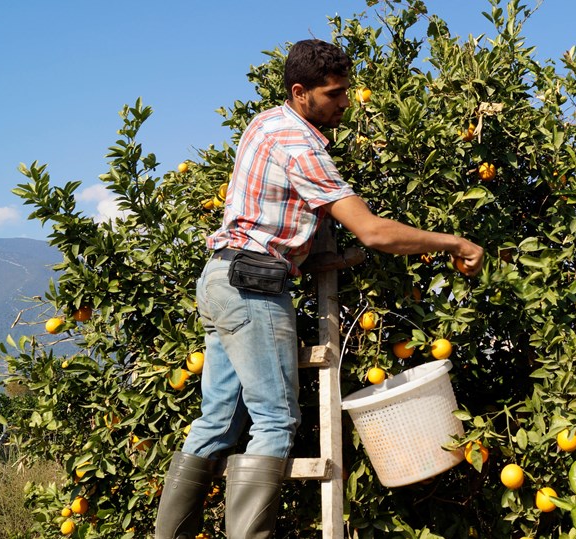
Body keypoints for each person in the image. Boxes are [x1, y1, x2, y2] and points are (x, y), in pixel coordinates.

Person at [154, 39, 484, 539]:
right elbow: (373, 230)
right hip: (255, 288)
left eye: (346, 91)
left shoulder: (265, 122)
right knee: (275, 420)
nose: (345, 103)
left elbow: (273, 217)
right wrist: (453, 241)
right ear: (300, 91)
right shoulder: (300, 144)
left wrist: (314, 256)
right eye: (335, 94)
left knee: (217, 421)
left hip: (221, 278)